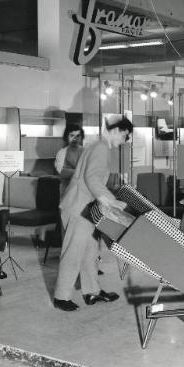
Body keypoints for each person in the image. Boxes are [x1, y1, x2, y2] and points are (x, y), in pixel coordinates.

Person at [53, 115, 133, 311]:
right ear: (115, 130)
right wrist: (112, 202)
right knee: (73, 253)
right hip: (78, 208)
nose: (126, 140)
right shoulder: (101, 147)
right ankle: (61, 296)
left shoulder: (97, 145)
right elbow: (93, 179)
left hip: (85, 208)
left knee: (90, 252)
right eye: (126, 135)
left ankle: (92, 292)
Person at [54, 124, 85, 197]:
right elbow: (61, 172)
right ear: (66, 137)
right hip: (67, 193)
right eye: (72, 135)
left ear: (81, 137)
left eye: (78, 136)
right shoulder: (62, 152)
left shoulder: (86, 152)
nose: (75, 138)